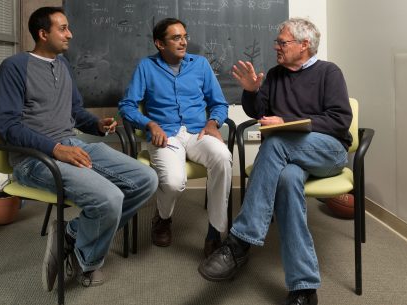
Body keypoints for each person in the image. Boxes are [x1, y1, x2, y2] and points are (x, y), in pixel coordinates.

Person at [0, 7, 158, 291]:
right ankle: (88, 262)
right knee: (109, 198)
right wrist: (55, 148)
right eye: (63, 28)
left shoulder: (63, 65)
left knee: (146, 180)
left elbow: (75, 111)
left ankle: (70, 234)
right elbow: (8, 126)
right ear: (43, 34)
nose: (70, 34)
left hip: (71, 144)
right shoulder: (14, 67)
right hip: (33, 160)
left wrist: (96, 125)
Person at [198, 18, 352, 305]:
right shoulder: (274, 74)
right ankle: (304, 288)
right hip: (289, 157)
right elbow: (259, 112)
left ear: (304, 45)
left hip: (328, 151)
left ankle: (240, 242)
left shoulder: (329, 72)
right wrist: (252, 91)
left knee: (277, 141)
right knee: (287, 178)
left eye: (283, 42)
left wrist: (288, 122)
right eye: (277, 42)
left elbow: (340, 121)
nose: (276, 47)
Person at [119, 18, 232, 257]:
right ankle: (163, 218)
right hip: (165, 135)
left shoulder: (200, 65)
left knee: (223, 157)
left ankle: (214, 232)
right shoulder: (146, 67)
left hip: (197, 132)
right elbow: (127, 106)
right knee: (172, 181)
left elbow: (219, 103)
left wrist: (213, 123)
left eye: (185, 36)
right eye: (176, 38)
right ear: (159, 43)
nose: (183, 42)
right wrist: (149, 124)